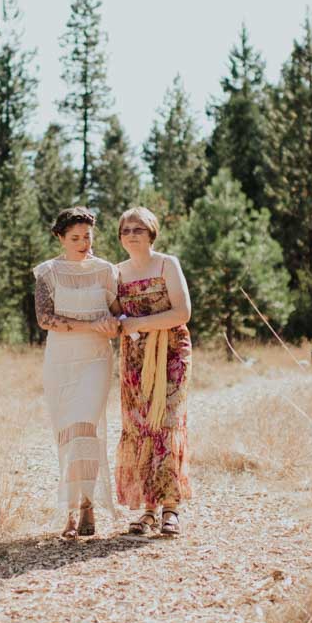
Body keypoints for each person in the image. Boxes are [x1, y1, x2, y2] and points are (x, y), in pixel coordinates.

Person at [33, 207, 121, 539]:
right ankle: (70, 508)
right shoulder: (47, 273)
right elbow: (45, 319)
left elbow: (118, 314)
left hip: (96, 359)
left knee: (86, 428)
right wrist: (89, 325)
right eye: (75, 238)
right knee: (67, 433)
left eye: (87, 236)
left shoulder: (106, 272)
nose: (83, 243)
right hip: (60, 361)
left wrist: (114, 326)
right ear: (60, 238)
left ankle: (86, 505)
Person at [112, 207, 192, 537]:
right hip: (134, 358)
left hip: (171, 352)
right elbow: (115, 314)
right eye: (126, 229)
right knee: (139, 426)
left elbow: (182, 312)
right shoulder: (115, 272)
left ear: (151, 233)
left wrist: (140, 323)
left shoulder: (166, 264)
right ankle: (147, 508)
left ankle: (171, 506)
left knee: (167, 424)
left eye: (138, 229)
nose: (131, 234)